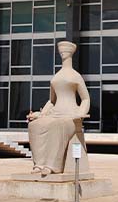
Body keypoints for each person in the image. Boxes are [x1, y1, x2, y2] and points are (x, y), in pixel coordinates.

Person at [26, 41, 90, 176]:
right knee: (35, 126)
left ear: (71, 53)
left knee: (57, 126)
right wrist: (41, 114)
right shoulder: (56, 77)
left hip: (70, 116)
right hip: (55, 113)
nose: (63, 53)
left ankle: (52, 165)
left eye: (65, 51)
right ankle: (39, 163)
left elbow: (85, 99)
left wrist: (80, 113)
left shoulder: (76, 76)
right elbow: (52, 101)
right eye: (61, 50)